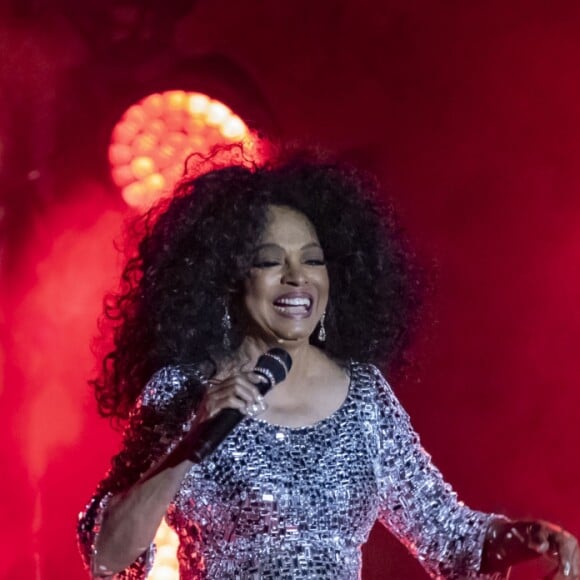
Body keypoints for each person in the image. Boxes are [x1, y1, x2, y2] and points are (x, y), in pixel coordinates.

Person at [78, 148, 579, 579]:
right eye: (271, 261)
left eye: (312, 260)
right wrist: (190, 439)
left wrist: (529, 537)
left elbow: (449, 537)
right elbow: (108, 555)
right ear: (229, 277)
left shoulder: (364, 394)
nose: (297, 279)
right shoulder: (184, 390)